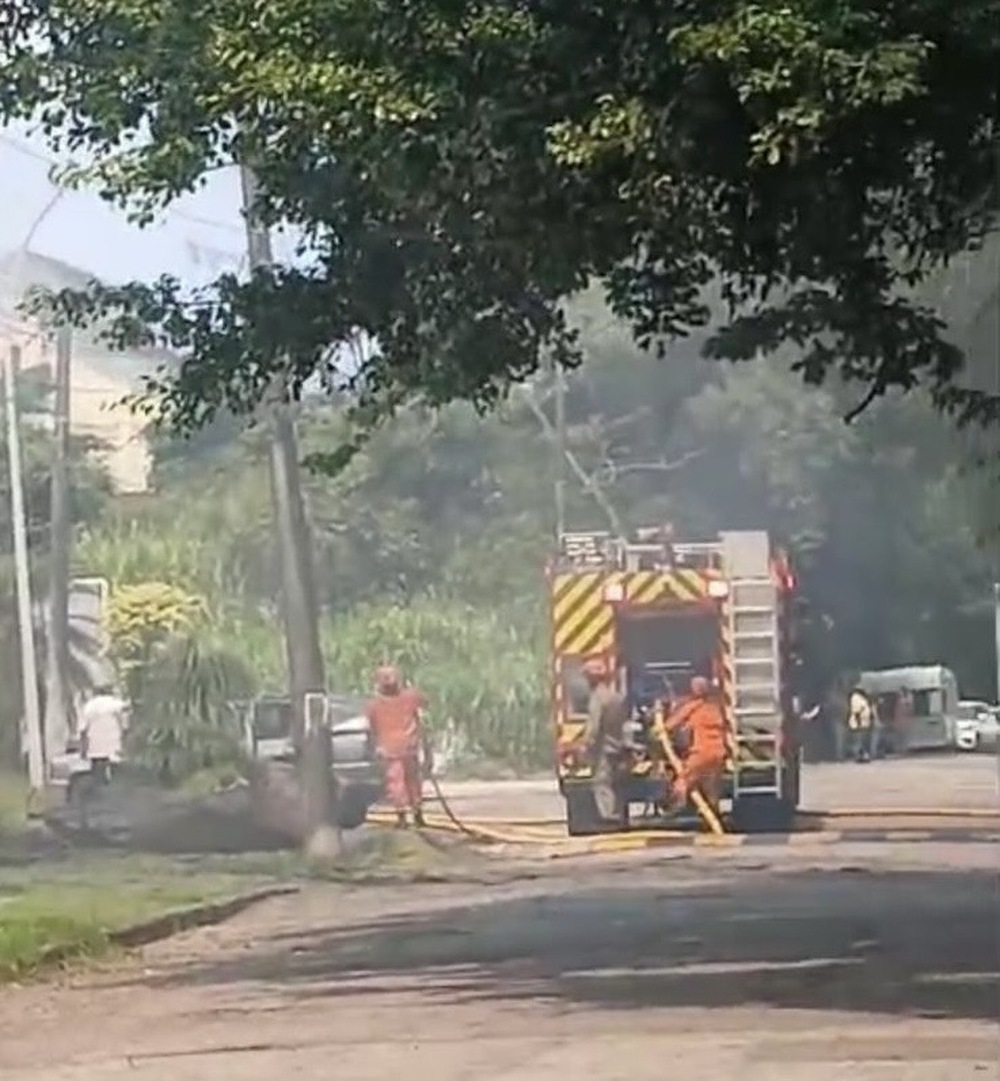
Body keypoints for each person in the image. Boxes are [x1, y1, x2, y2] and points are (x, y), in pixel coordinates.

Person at [365, 665, 428, 828]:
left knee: (397, 783)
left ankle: (402, 819)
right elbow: (424, 705)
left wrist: (374, 747)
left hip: (390, 749)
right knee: (412, 782)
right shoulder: (410, 697)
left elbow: (371, 728)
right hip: (409, 746)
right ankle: (417, 816)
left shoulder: (374, 705)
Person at [663, 675, 727, 815]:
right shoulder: (716, 707)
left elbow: (670, 725)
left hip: (701, 753)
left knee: (683, 780)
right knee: (711, 786)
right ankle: (713, 810)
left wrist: (658, 728)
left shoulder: (692, 707)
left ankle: (673, 807)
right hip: (719, 753)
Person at [582, 656, 629, 822]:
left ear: (590, 678)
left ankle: (609, 817)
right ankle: (619, 814)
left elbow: (594, 727)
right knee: (617, 782)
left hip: (604, 748)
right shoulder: (615, 697)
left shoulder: (597, 699)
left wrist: (587, 745)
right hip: (618, 745)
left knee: (601, 782)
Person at [78, 683, 128, 785]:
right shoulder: (118, 704)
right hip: (114, 744)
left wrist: (83, 749)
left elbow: (82, 729)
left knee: (97, 773)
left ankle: (99, 792)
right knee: (116, 773)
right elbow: (125, 726)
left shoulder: (89, 706)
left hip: (95, 745)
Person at [845, 686, 876, 763]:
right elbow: (856, 711)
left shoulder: (863, 698)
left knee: (863, 740)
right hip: (858, 723)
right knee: (859, 740)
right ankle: (859, 756)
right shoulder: (855, 697)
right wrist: (858, 722)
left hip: (864, 723)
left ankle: (863, 756)